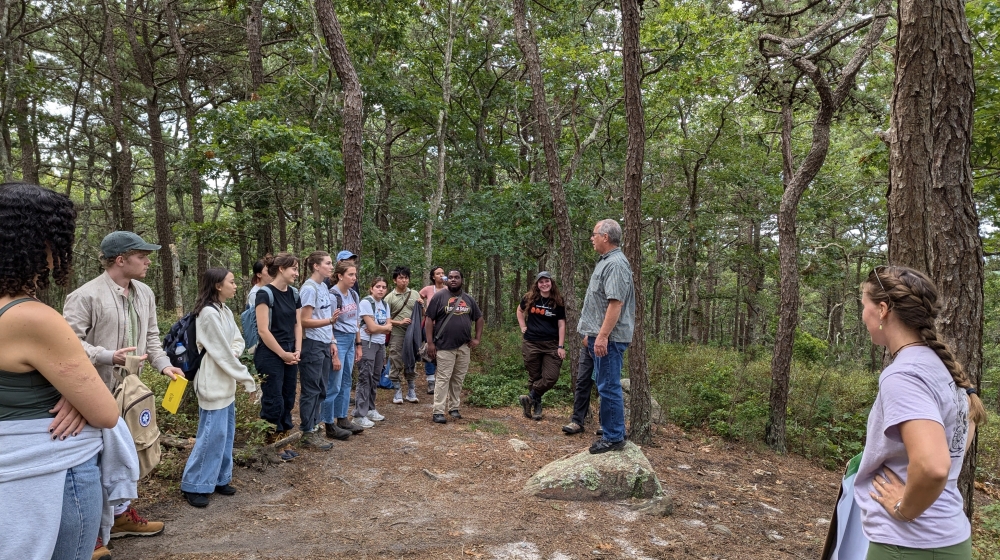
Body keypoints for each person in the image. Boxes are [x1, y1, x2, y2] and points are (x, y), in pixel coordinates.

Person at [0, 183, 121, 560]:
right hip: (53, 471)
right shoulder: (33, 317)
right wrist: (74, 390)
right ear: (38, 242)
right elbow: (105, 412)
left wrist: (67, 386)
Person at [64, 230, 185, 544]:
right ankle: (91, 535)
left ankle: (120, 517)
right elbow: (68, 344)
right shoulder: (85, 295)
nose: (147, 261)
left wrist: (164, 364)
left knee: (128, 453)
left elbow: (152, 339)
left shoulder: (144, 293)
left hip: (131, 391)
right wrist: (106, 356)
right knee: (93, 462)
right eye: (141, 256)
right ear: (120, 260)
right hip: (93, 391)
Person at [858, 266, 986, 559]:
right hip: (950, 537)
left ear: (882, 309)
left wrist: (904, 511)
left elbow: (934, 466)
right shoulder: (939, 365)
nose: (863, 315)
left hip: (907, 543)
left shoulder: (903, 375)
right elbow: (962, 435)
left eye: (863, 306)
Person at [180, 268, 259, 507]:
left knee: (226, 434)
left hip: (226, 382)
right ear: (217, 285)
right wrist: (247, 378)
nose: (235, 286)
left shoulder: (224, 311)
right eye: (231, 282)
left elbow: (236, 341)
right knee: (210, 434)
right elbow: (220, 353)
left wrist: (234, 353)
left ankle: (219, 478)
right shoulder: (207, 314)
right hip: (212, 381)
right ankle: (194, 484)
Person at [578, 219, 635, 454]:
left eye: (594, 234)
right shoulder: (606, 262)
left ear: (605, 237)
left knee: (609, 386)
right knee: (604, 385)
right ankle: (612, 431)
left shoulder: (616, 264)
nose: (591, 238)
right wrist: (590, 334)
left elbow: (615, 304)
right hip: (599, 336)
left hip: (609, 339)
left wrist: (601, 337)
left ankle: (613, 437)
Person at [252, 252, 301, 458]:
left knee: (289, 396)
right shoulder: (264, 294)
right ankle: (272, 442)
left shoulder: (294, 294)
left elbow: (298, 324)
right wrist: (283, 354)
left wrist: (297, 350)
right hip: (271, 353)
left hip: (291, 352)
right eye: (294, 269)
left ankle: (284, 436)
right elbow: (264, 330)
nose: (297, 273)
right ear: (281, 269)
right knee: (273, 399)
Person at [298, 251, 348, 447]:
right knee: (311, 389)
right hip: (311, 344)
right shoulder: (309, 289)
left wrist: (332, 341)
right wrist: (329, 321)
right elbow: (303, 320)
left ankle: (315, 427)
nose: (331, 266)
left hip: (324, 344)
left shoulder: (323, 287)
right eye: (327, 263)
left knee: (321, 389)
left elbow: (327, 319)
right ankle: (307, 432)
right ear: (316, 266)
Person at [424, 270, 484, 424]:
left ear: (462, 280)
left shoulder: (468, 299)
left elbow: (479, 318)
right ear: (446, 280)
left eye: (457, 277)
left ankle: (454, 407)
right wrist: (430, 343)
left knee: (458, 378)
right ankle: (438, 410)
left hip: (464, 346)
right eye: (450, 277)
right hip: (444, 345)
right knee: (443, 378)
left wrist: (477, 338)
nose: (453, 280)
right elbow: (429, 319)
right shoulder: (439, 297)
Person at [321, 260, 365, 435]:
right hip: (337, 339)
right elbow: (328, 324)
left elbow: (356, 322)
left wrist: (359, 344)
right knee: (335, 383)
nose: (354, 278)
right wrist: (334, 350)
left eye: (355, 274)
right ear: (340, 276)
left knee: (347, 381)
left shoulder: (354, 295)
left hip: (350, 340)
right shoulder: (332, 296)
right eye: (350, 274)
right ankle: (328, 422)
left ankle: (342, 418)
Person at [516, 271, 566, 421]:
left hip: (551, 344)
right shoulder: (530, 298)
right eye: (541, 282)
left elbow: (561, 325)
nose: (544, 284)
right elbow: (519, 310)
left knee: (551, 377)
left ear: (551, 283)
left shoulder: (558, 300)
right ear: (537, 284)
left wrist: (560, 346)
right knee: (535, 376)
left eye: (547, 281)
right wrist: (522, 326)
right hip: (531, 343)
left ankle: (531, 397)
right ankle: (536, 407)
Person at [354, 277, 392, 428]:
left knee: (375, 377)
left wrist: (378, 327)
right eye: (378, 286)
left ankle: (370, 408)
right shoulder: (366, 303)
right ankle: (359, 414)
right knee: (365, 377)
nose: (381, 289)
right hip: (366, 343)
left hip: (380, 344)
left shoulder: (385, 304)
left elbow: (388, 326)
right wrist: (379, 327)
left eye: (383, 287)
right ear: (371, 288)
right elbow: (374, 327)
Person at [384, 266, 422, 404]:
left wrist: (422, 306)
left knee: (411, 361)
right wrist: (398, 322)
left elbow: (422, 314)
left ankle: (411, 390)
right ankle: (397, 391)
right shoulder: (389, 298)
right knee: (396, 360)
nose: (404, 280)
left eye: (406, 278)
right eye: (400, 278)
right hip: (397, 334)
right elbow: (384, 319)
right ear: (395, 280)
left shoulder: (415, 294)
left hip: (412, 335)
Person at [419, 266, 447, 394]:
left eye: (442, 273)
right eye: (438, 273)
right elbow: (417, 298)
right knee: (430, 351)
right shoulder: (428, 289)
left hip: (446, 327)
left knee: (445, 352)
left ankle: (442, 381)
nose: (441, 275)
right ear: (433, 277)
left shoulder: (449, 290)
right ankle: (431, 381)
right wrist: (424, 309)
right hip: (430, 325)